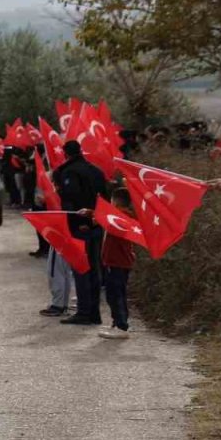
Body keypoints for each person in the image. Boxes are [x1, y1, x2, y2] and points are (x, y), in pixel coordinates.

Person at [53, 140, 109, 325]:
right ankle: (94, 313)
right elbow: (106, 198)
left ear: (65, 153)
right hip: (97, 223)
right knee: (95, 268)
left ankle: (85, 312)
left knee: (81, 269)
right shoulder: (96, 170)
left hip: (81, 226)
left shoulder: (70, 172)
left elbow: (71, 200)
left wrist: (78, 223)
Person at [80, 187, 136, 339]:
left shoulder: (123, 217)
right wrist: (92, 213)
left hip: (118, 261)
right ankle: (116, 322)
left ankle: (121, 326)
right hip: (115, 261)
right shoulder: (117, 216)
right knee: (115, 293)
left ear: (115, 201)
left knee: (116, 294)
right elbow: (106, 218)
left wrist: (96, 215)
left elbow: (110, 219)